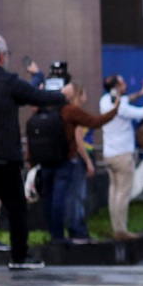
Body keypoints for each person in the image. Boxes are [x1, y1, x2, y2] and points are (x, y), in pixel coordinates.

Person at [0, 33, 69, 278]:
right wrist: (64, 95)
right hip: (0, 156)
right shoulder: (7, 81)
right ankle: (19, 257)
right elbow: (39, 98)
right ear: (2, 56)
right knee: (17, 207)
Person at [50, 80, 117, 243]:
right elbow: (78, 139)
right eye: (84, 92)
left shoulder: (70, 111)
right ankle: (76, 230)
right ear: (79, 96)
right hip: (80, 157)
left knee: (77, 194)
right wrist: (87, 160)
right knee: (77, 194)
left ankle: (77, 228)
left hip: (79, 156)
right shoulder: (75, 112)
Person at [100, 75, 143, 240]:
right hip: (122, 155)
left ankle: (115, 226)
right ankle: (121, 230)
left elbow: (123, 99)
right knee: (123, 193)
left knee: (113, 192)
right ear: (117, 86)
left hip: (109, 154)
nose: (125, 85)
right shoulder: (121, 108)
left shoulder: (104, 101)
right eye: (122, 82)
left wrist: (140, 93)